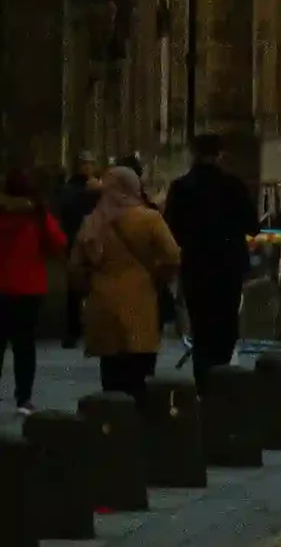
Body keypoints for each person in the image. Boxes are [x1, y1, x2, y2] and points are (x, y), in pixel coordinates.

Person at [67, 164, 182, 401]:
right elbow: (172, 256)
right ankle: (135, 425)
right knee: (137, 373)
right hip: (140, 301)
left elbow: (76, 266)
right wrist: (158, 278)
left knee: (110, 373)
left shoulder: (93, 221)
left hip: (102, 302)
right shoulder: (149, 219)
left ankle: (111, 423)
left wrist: (88, 288)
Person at [163, 131, 257, 381]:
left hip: (197, 264)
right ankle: (222, 376)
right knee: (226, 322)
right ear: (220, 154)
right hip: (228, 264)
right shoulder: (234, 186)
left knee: (201, 324)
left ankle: (203, 376)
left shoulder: (181, 187)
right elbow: (252, 225)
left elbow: (171, 228)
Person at [0, 167, 66, 410]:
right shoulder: (37, 215)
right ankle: (23, 398)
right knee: (24, 346)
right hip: (28, 287)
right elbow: (58, 243)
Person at [55, 157, 100, 349]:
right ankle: (74, 330)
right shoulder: (71, 189)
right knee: (74, 290)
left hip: (94, 242)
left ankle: (92, 328)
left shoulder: (99, 187)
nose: (87, 167)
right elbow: (68, 210)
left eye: (91, 163)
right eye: (84, 163)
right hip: (75, 241)